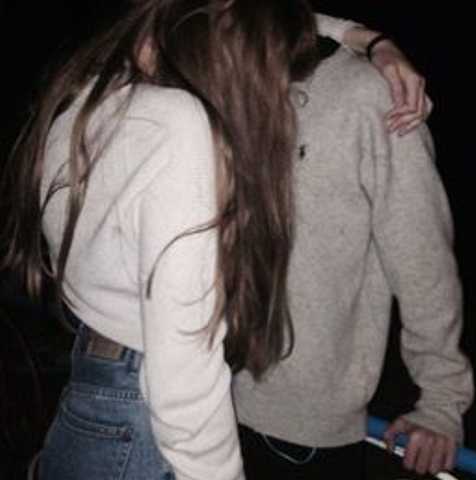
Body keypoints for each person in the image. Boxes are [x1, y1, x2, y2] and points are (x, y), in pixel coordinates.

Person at [0, 2, 432, 480]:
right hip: (146, 423)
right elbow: (183, 380)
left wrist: (365, 38)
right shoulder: (179, 127)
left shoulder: (92, 94)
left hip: (89, 396)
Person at [233, 39, 474, 480]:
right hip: (195, 399)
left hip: (298, 427)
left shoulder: (370, 95)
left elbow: (423, 262)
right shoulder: (216, 71)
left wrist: (442, 400)